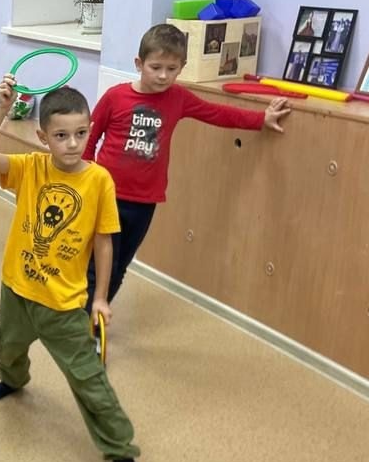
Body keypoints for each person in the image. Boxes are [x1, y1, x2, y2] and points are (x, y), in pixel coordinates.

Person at [0, 78, 143, 462]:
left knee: (88, 378)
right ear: (43, 136)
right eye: (62, 136)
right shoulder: (32, 166)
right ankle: (13, 381)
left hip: (64, 304)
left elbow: (104, 241)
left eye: (81, 134)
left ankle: (122, 454)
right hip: (17, 288)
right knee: (7, 347)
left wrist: (100, 297)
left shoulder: (99, 180)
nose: (72, 144)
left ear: (90, 131)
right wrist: (1, 109)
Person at [83, 23, 291, 309]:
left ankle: (98, 319)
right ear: (139, 64)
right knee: (99, 265)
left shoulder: (178, 99)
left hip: (144, 201)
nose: (163, 75)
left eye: (171, 68)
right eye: (155, 67)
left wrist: (260, 119)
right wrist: (86, 181)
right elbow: (89, 137)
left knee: (119, 267)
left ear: (181, 67)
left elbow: (216, 113)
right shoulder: (115, 97)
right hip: (106, 195)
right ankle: (82, 324)